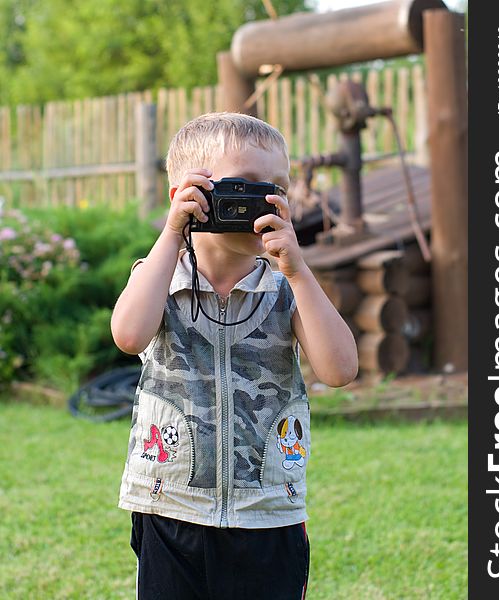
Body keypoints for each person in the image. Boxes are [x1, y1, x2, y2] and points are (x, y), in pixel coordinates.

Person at [111, 112, 358, 600]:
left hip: (268, 512)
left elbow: (340, 369)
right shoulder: (160, 277)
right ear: (189, 194)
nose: (266, 199)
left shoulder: (287, 287)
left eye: (279, 188)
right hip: (171, 509)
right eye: (245, 185)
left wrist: (299, 271)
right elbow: (129, 335)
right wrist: (170, 234)